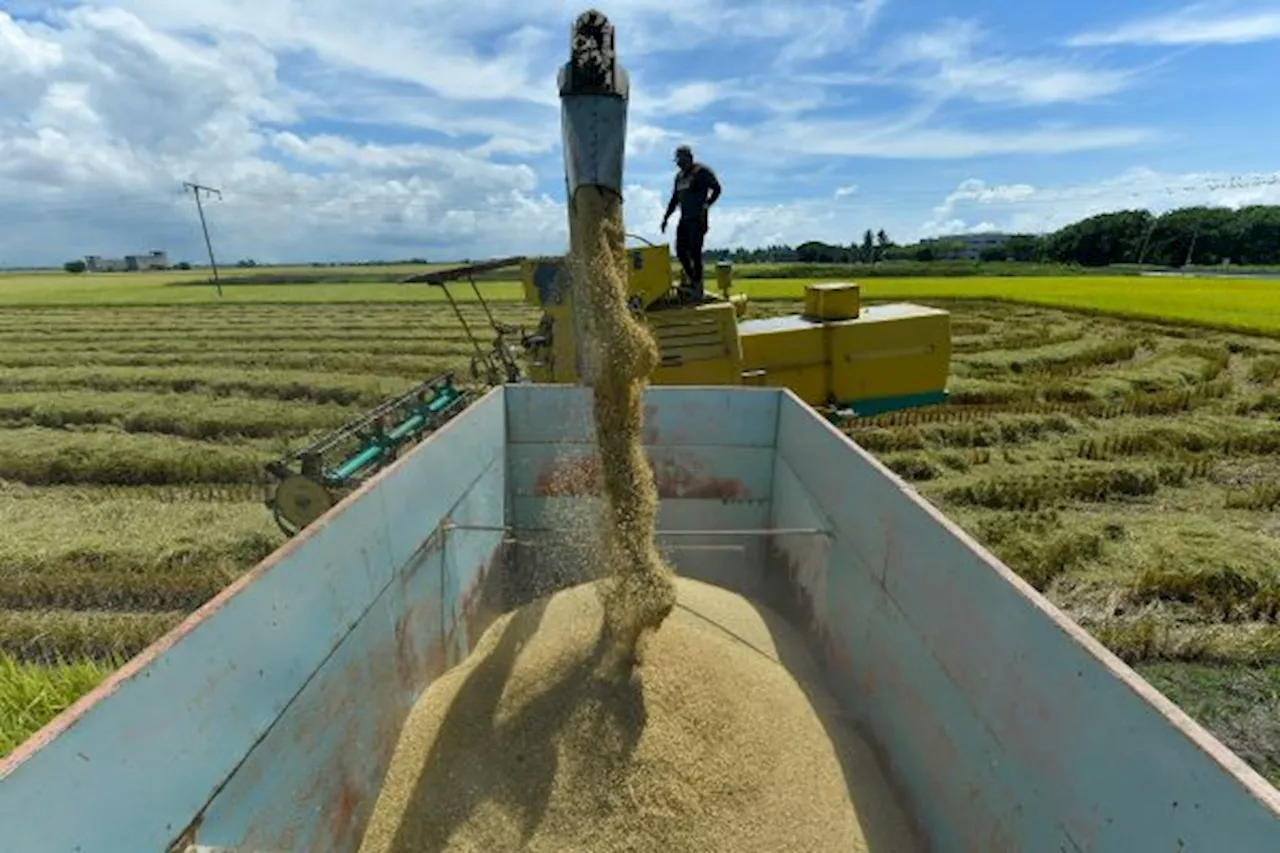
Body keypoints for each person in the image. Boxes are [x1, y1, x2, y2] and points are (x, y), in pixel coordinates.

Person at [661, 145, 720, 301]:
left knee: (695, 251)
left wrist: (707, 204)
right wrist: (665, 218)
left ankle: (697, 286)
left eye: (680, 160)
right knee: (680, 251)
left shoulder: (702, 172)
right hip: (685, 219)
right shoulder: (679, 177)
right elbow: (674, 199)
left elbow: (717, 189)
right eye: (677, 161)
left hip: (698, 218)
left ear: (689, 158)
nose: (678, 164)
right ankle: (692, 279)